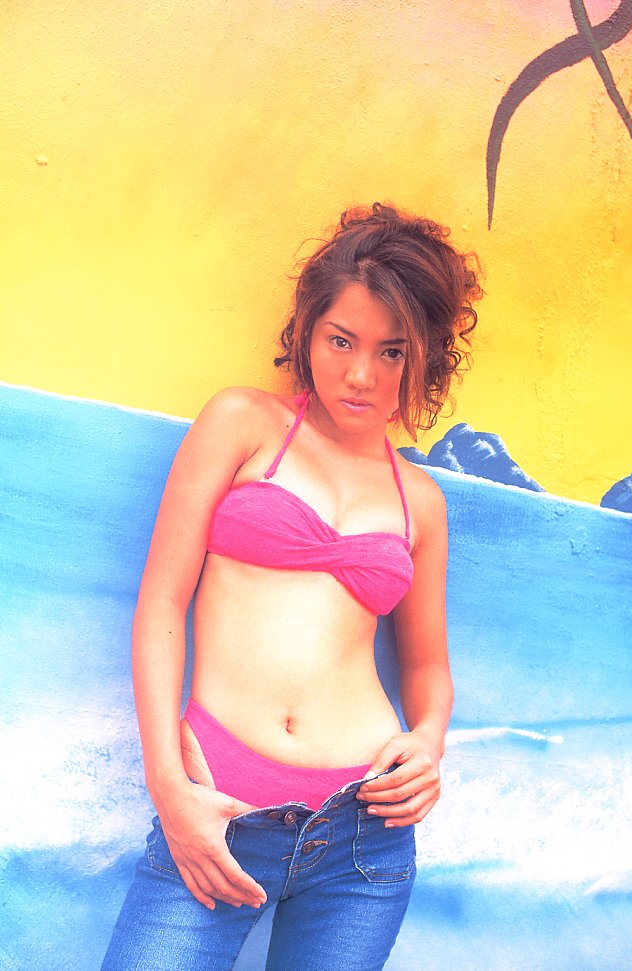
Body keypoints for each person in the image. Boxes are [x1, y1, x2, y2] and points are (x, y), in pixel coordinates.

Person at [101, 202, 482, 971]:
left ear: (426, 358)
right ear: (307, 329)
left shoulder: (422, 501)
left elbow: (426, 667)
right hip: (219, 806)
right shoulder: (242, 423)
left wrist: (428, 741)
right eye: (341, 340)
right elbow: (161, 604)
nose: (361, 374)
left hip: (364, 836)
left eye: (392, 351)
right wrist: (169, 787)